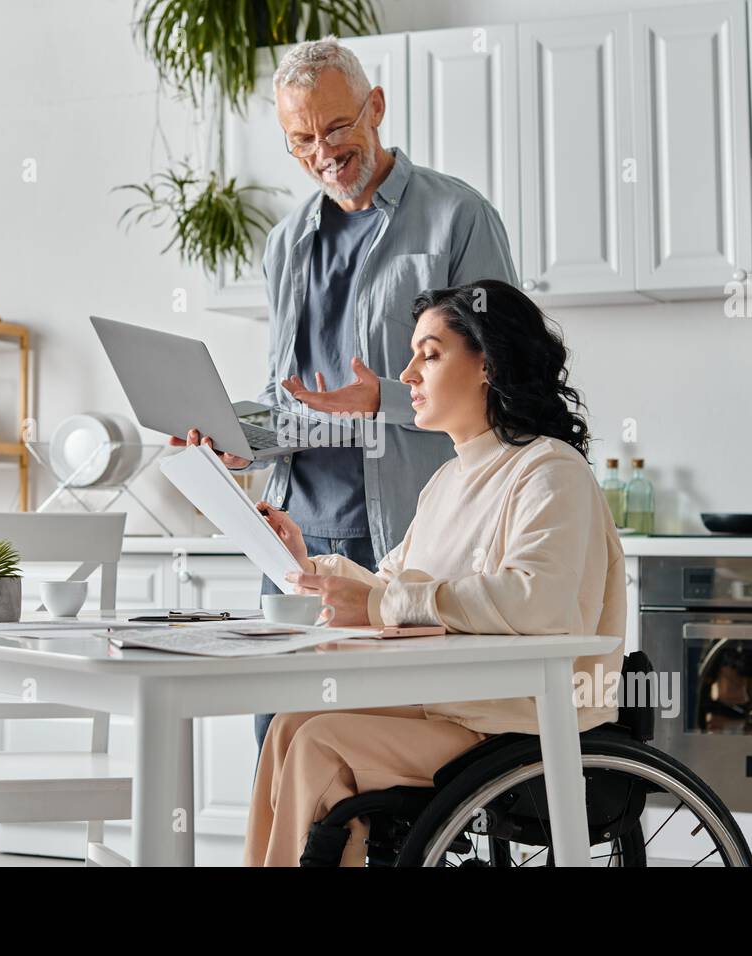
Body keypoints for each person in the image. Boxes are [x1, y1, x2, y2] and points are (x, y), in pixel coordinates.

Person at [170, 36, 518, 750]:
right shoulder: (289, 241)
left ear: (376, 108)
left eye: (335, 128)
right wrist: (235, 440)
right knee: (283, 736)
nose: (322, 153)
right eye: (301, 140)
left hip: (408, 532)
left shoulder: (458, 217)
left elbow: (504, 374)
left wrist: (385, 398)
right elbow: (288, 392)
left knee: (390, 747)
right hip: (297, 536)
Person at [241, 280, 627, 867]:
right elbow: (392, 585)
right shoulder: (446, 480)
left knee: (322, 743)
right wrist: (303, 562)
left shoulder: (549, 470)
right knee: (292, 723)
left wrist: (379, 607)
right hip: (463, 707)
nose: (408, 374)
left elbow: (536, 603)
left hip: (522, 719)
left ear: (487, 364)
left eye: (430, 353)